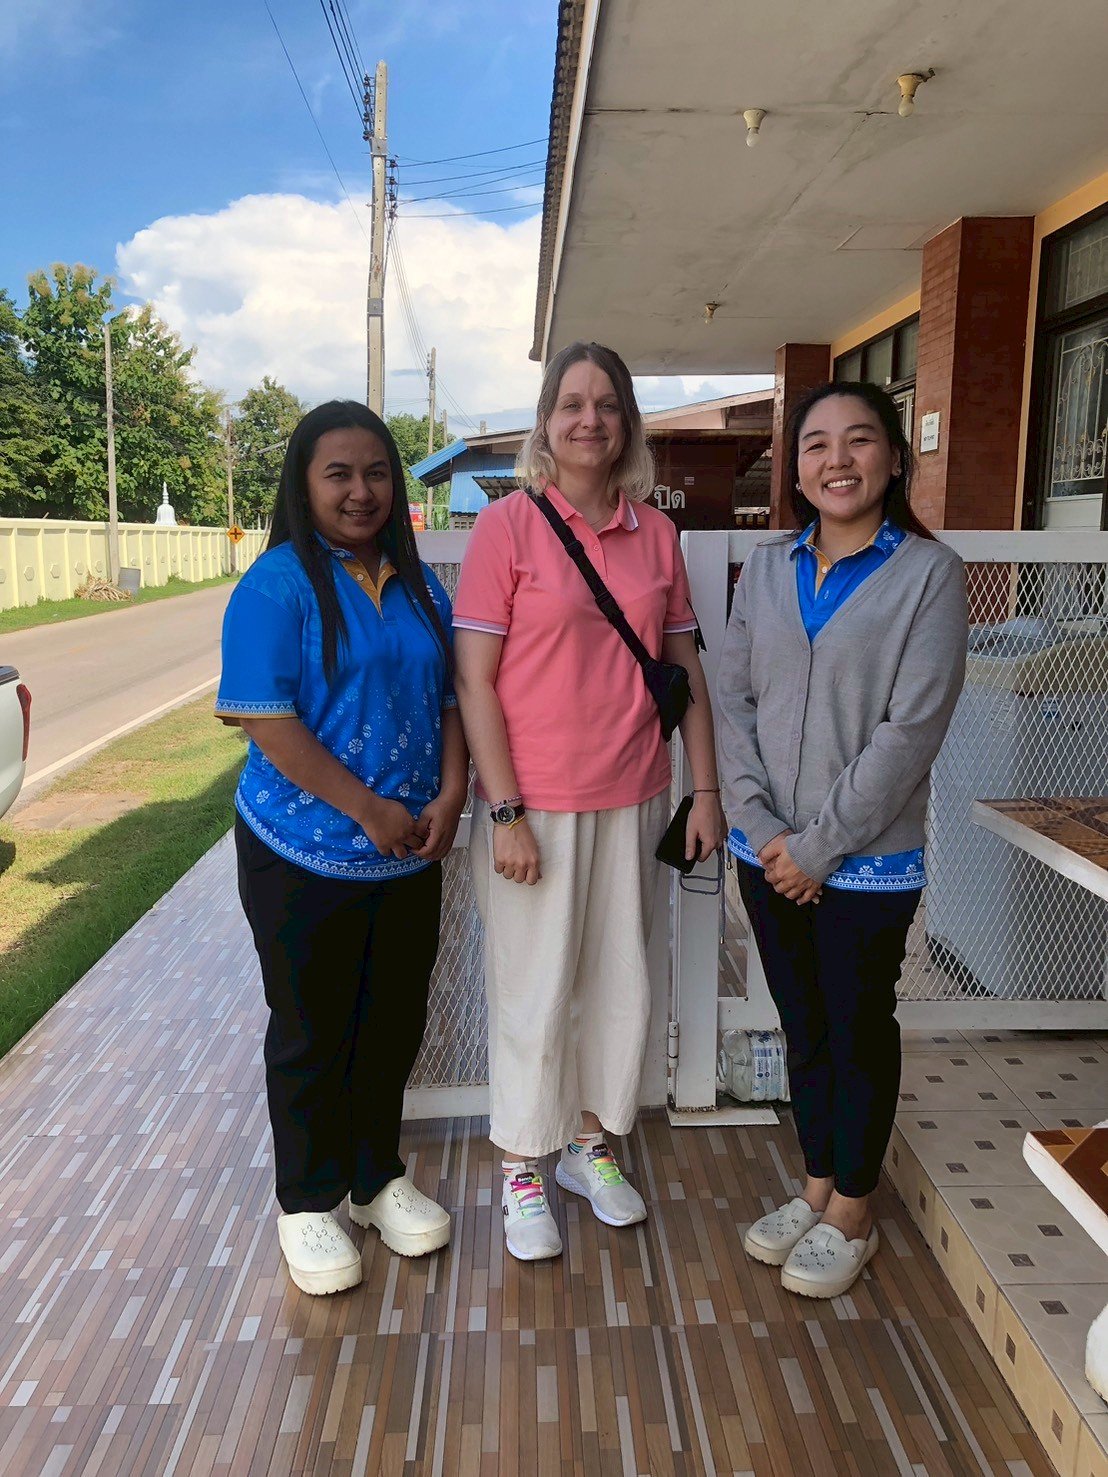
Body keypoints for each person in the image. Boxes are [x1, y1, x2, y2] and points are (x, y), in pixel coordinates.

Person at [453, 341, 726, 1262]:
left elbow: (683, 668)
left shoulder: (657, 535)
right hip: (535, 804)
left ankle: (586, 1145)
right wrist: (504, 811)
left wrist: (706, 789)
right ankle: (521, 1166)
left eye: (607, 404)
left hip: (637, 794)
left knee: (619, 985)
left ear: (628, 424)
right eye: (571, 403)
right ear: (545, 421)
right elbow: (476, 682)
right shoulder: (509, 529)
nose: (589, 420)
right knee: (533, 988)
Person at [717, 380, 968, 1300]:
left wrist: (817, 846)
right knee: (803, 1025)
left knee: (858, 1028)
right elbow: (734, 700)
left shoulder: (929, 576)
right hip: (765, 855)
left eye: (860, 441)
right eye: (817, 444)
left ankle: (855, 1208)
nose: (838, 460)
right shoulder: (768, 565)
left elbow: (912, 731)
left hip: (865, 863)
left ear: (895, 458)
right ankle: (817, 1181)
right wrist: (765, 828)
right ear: (797, 468)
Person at [214, 401, 467, 1296]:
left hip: (407, 851)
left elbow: (449, 701)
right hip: (302, 850)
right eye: (339, 474)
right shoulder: (277, 584)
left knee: (393, 1019)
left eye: (376, 473)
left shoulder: (419, 584)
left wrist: (452, 792)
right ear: (305, 483)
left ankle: (375, 1177)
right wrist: (367, 808)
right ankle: (309, 1201)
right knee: (312, 1026)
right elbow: (263, 717)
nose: (361, 491)